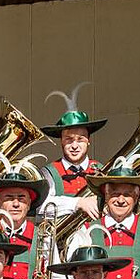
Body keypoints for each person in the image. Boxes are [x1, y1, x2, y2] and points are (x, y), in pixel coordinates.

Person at [39, 89, 105, 220]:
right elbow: (40, 206)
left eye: (80, 139)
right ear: (61, 142)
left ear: (88, 141)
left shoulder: (101, 169)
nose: (74, 145)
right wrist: (78, 203)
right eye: (69, 140)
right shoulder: (49, 172)